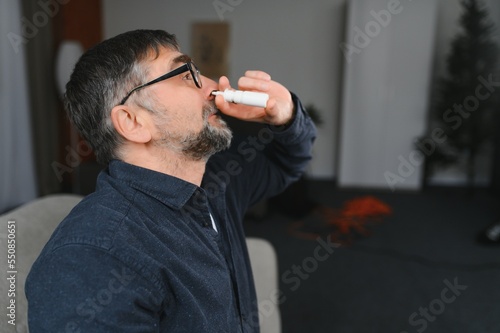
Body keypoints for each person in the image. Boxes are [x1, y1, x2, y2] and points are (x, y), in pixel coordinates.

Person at [25, 29, 316, 332]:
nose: (216, 86)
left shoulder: (217, 177)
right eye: (185, 74)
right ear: (133, 122)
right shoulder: (91, 260)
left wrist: (287, 115)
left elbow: (287, 163)